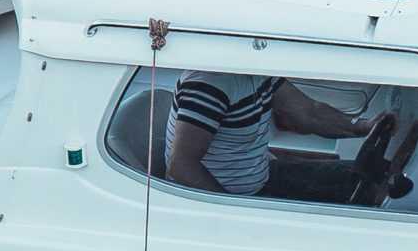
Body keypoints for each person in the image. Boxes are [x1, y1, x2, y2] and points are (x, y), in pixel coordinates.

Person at [166, 72, 395, 202]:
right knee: (361, 196)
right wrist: (233, 210)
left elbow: (309, 113)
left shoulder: (257, 73)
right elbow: (181, 165)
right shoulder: (207, 85)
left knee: (364, 177)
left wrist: (362, 127)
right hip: (235, 197)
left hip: (260, 174)